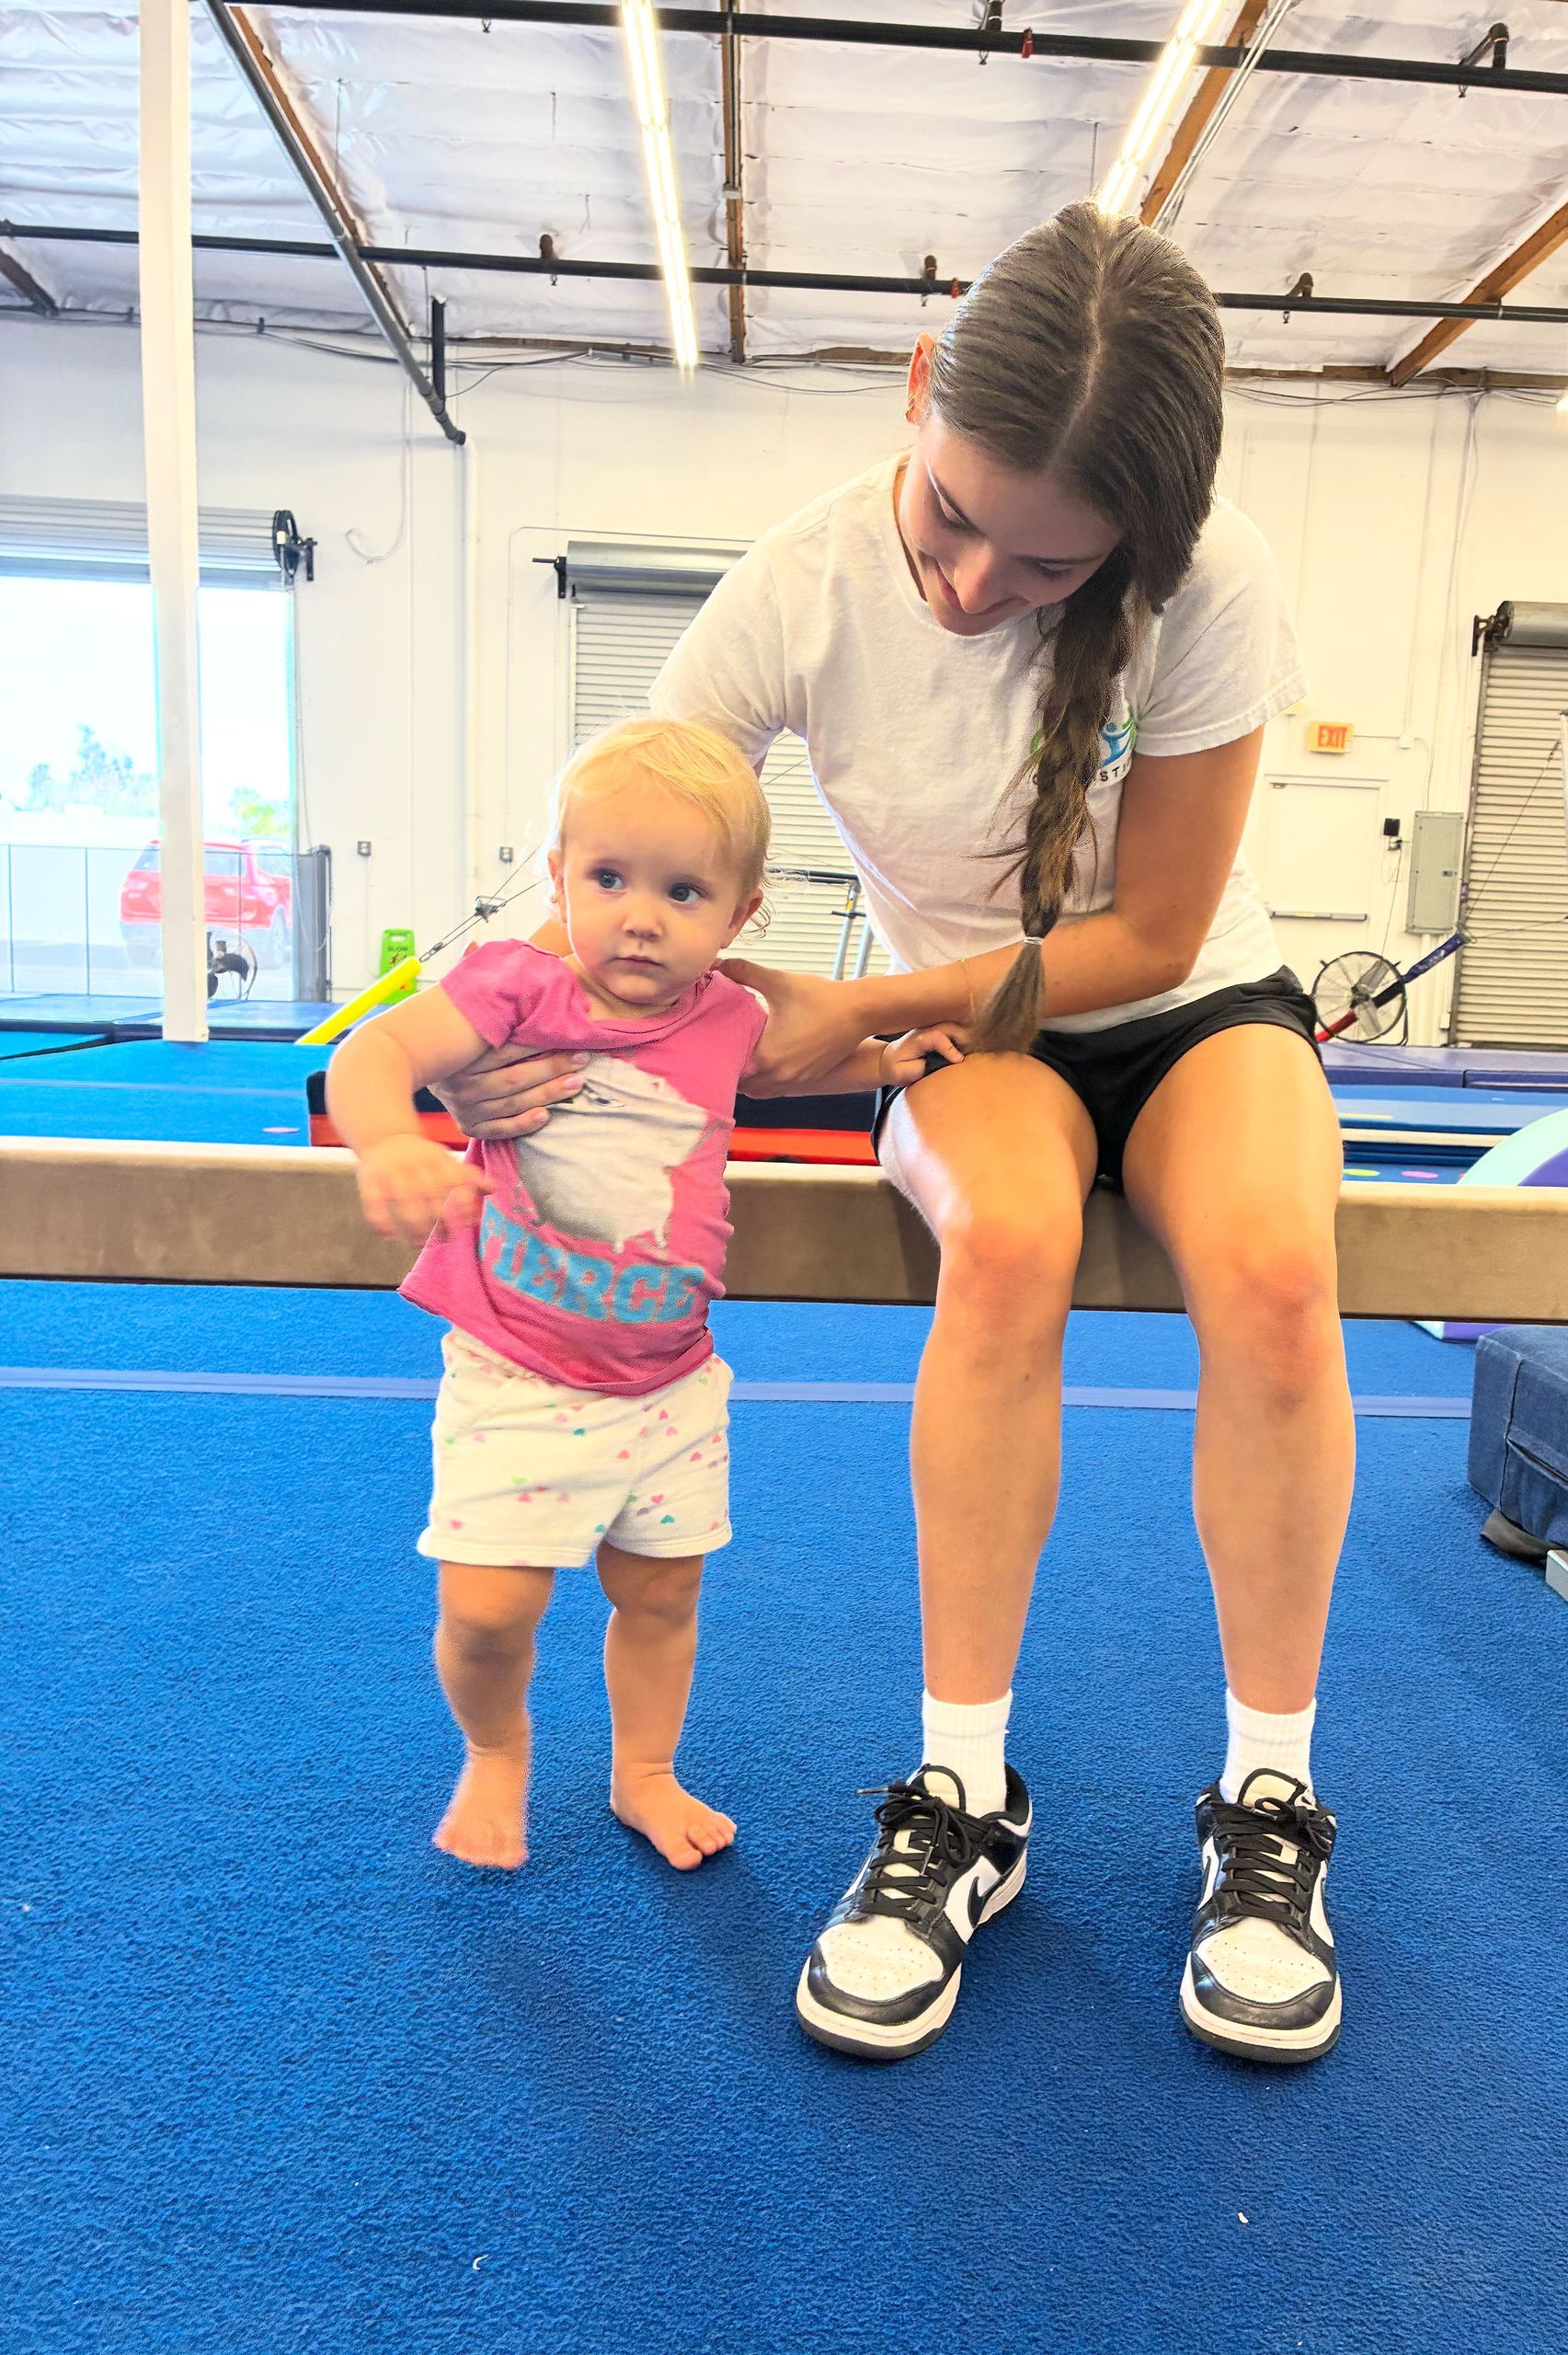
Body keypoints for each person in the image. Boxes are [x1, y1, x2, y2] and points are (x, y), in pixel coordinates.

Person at [442, 204, 1352, 2066]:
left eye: (1045, 565)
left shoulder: (1217, 580)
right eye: (951, 518)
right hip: (968, 1029)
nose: (968, 584)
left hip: (1184, 1007)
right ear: (923, 386)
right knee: (1007, 1239)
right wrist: (486, 1027)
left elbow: (1154, 938)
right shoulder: (803, 579)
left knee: (1269, 1267)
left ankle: (1269, 1804)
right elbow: (621, 845)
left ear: (1139, 547)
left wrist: (840, 1018)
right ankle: (961, 1793)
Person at [327, 718, 954, 1874]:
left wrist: (885, 1061)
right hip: (520, 1366)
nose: (640, 915)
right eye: (607, 878)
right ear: (557, 875)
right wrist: (387, 1142)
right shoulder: (514, 987)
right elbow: (376, 1049)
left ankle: (644, 1769)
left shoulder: (725, 1015)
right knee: (487, 1610)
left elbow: (791, 1063)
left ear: (740, 916)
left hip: (669, 1384)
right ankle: (498, 1747)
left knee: (660, 1596)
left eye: (683, 890)